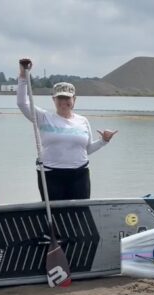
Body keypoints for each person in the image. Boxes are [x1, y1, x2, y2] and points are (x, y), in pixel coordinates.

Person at [17, 58, 117, 201]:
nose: (64, 102)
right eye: (60, 99)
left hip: (80, 174)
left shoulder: (82, 121)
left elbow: (87, 150)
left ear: (74, 100)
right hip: (50, 174)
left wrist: (104, 141)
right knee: (56, 216)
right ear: (54, 99)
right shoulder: (43, 117)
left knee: (80, 214)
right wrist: (23, 76)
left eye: (68, 99)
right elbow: (22, 102)